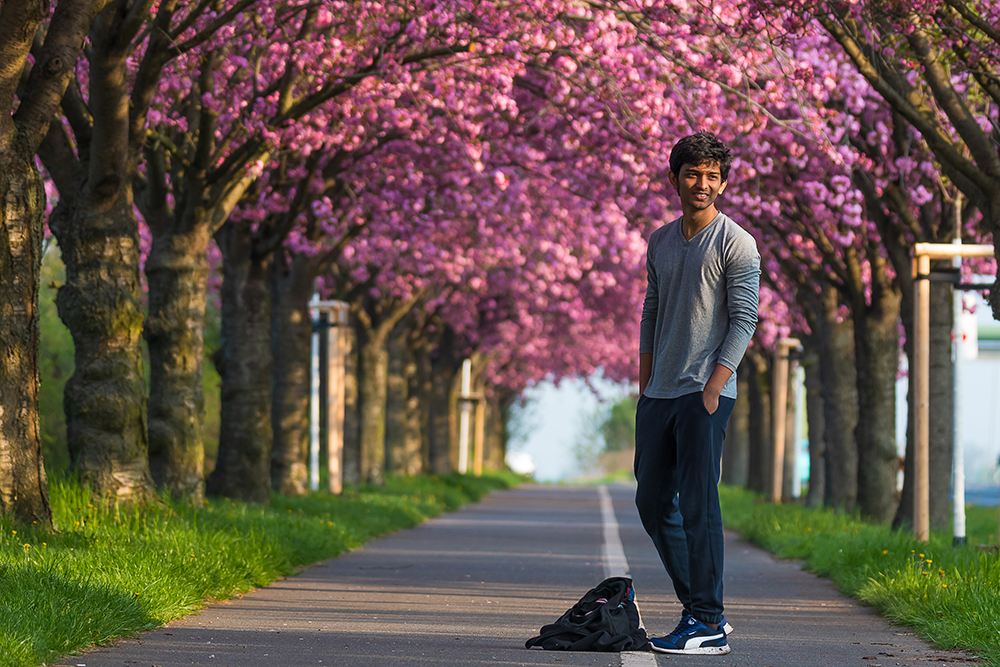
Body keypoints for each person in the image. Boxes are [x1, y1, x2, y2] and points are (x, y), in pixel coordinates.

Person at [634, 131, 760, 655]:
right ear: (675, 179)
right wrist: (645, 383)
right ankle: (704, 610)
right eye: (693, 174)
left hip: (705, 394)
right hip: (659, 393)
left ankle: (706, 619)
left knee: (699, 506)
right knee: (651, 500)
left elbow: (745, 317)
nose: (702, 183)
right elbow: (651, 310)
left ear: (723, 183)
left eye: (712, 175)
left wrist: (714, 385)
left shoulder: (737, 242)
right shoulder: (660, 240)